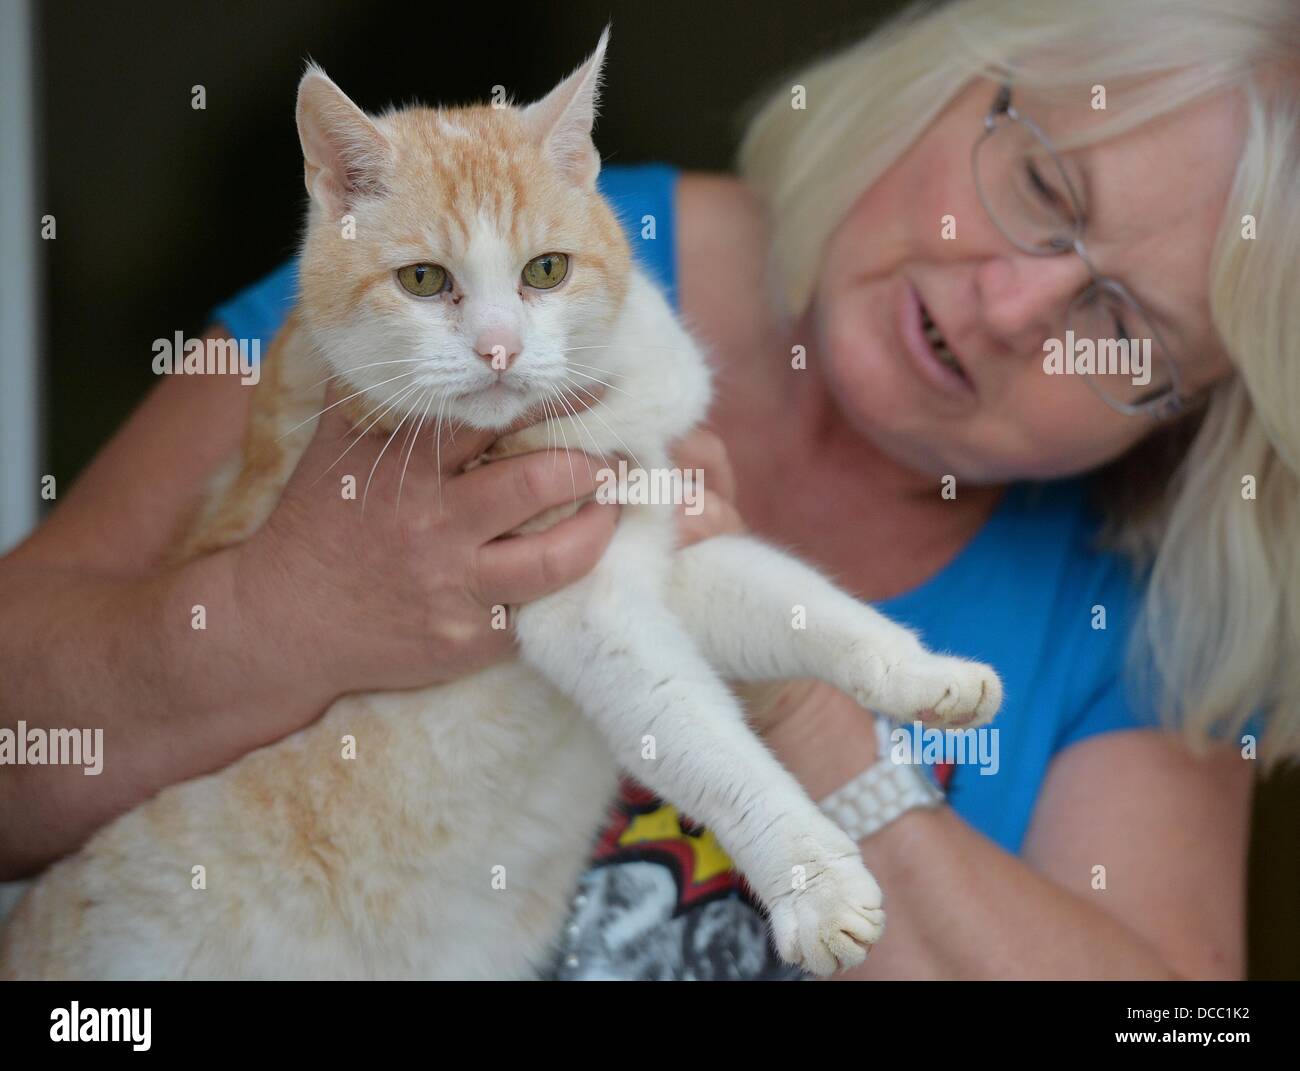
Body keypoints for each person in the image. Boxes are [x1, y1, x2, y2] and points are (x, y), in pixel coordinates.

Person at [2, 0, 1295, 979]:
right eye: (1040, 186)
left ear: (1192, 420)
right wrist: (292, 610)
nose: (1016, 305)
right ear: (949, 79)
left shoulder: (1142, 596)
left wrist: (806, 714)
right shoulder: (477, 251)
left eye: (1124, 329)